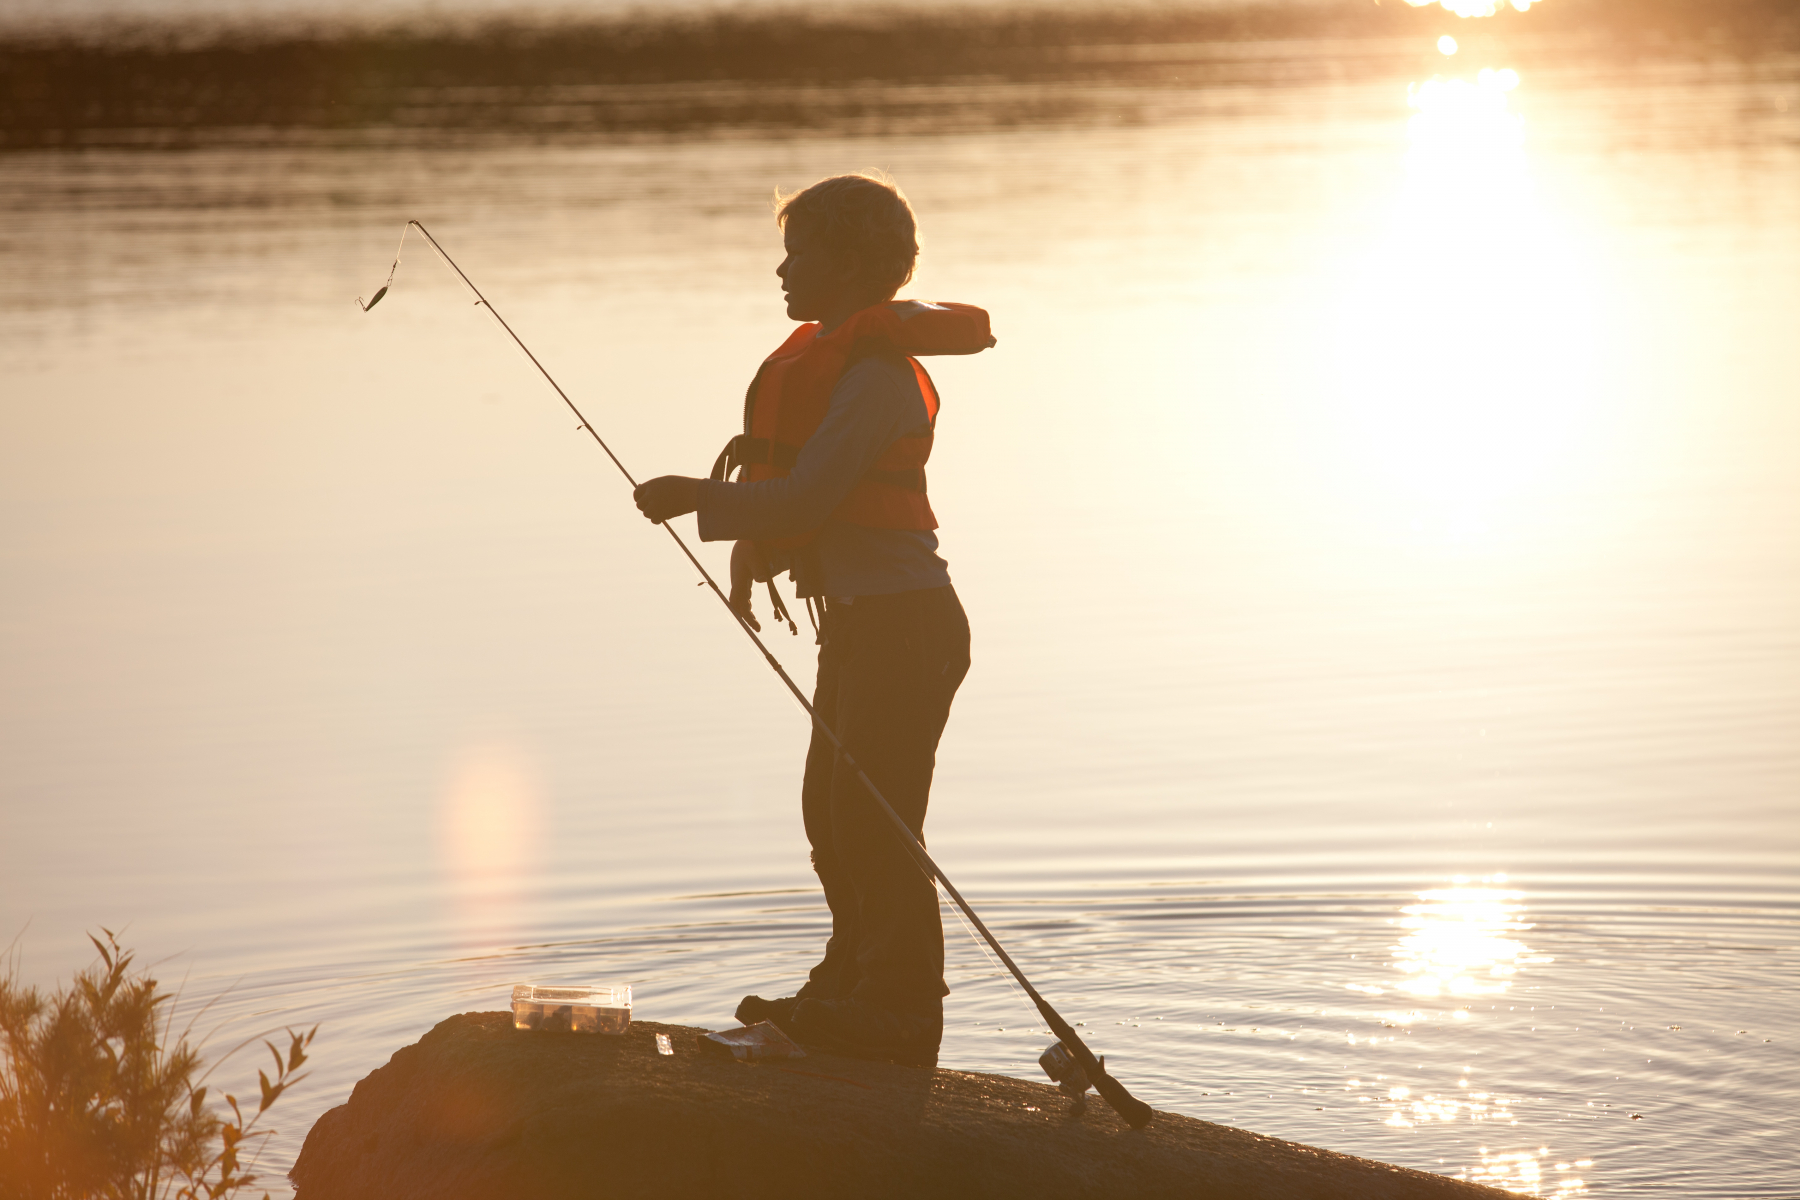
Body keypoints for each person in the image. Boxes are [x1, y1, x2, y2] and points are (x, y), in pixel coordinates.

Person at [631, 172, 993, 1067]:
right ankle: (851, 982)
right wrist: (754, 551)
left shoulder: (875, 378)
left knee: (876, 820)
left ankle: (902, 1008)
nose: (783, 268)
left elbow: (811, 495)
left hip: (906, 627)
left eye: (800, 252)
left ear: (851, 263)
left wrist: (694, 496)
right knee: (829, 815)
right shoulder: (837, 364)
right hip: (866, 625)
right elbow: (808, 508)